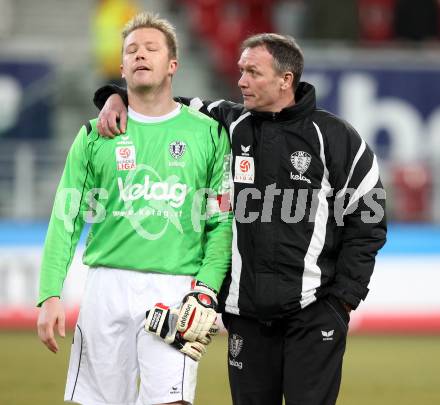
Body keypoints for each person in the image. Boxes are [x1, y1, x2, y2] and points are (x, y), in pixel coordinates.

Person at [94, 33, 387, 405]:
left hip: (315, 313)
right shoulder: (227, 122)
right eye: (241, 71)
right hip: (244, 316)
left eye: (253, 72)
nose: (241, 81)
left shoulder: (336, 137)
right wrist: (114, 96)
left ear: (286, 79)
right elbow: (161, 103)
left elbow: (369, 222)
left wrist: (342, 300)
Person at [37, 12, 232, 405]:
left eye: (151, 48)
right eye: (131, 50)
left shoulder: (209, 132)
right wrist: (49, 294)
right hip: (105, 286)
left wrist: (206, 289)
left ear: (172, 64)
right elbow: (66, 217)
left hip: (174, 289)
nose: (140, 54)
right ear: (122, 66)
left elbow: (221, 221)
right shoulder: (95, 133)